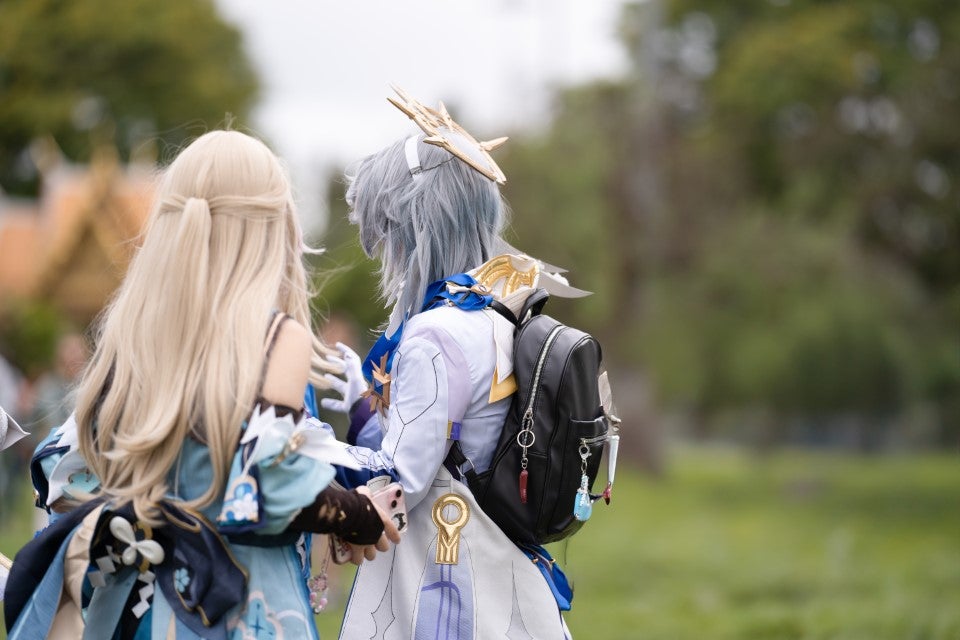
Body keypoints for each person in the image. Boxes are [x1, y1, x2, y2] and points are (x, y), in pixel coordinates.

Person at [4, 130, 400, 639]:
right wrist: (355, 515)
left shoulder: (136, 334)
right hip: (242, 605)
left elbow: (70, 470)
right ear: (274, 228)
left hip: (133, 609)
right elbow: (270, 488)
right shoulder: (276, 337)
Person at [322, 88, 585, 639]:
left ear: (414, 225)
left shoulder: (435, 334)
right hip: (497, 567)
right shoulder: (498, 313)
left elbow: (400, 481)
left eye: (386, 230)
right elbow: (440, 445)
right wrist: (359, 399)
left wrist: (298, 444)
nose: (383, 248)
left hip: (448, 581)